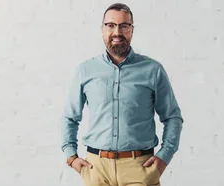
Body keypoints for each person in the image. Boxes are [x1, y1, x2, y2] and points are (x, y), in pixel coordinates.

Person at [59, 3, 184, 186]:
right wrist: (71, 156)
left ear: (131, 30)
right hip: (96, 169)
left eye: (124, 25)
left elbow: (172, 117)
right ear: (102, 29)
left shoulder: (153, 70)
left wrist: (164, 157)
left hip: (140, 168)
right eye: (110, 25)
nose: (117, 32)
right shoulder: (85, 71)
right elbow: (70, 117)